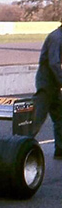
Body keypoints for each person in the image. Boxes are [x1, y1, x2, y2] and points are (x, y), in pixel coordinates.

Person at [30, 21, 62, 159]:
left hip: (53, 84)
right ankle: (20, 149)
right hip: (46, 84)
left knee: (60, 117)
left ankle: (60, 149)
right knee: (37, 119)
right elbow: (54, 63)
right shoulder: (56, 38)